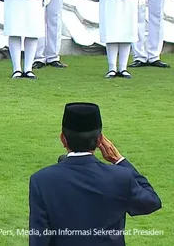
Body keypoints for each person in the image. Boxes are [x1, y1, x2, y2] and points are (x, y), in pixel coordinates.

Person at [29, 103, 161, 246]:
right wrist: (119, 160)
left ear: (63, 139)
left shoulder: (41, 181)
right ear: (99, 140)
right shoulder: (121, 177)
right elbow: (151, 202)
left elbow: (39, 239)